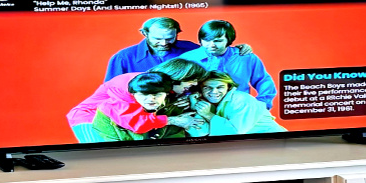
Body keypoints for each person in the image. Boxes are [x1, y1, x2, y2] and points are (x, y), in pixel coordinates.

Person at [66, 71, 203, 143]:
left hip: (119, 118)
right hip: (88, 117)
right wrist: (174, 120)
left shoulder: (149, 80)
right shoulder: (124, 92)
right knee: (99, 157)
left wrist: (189, 97)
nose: (188, 89)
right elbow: (137, 123)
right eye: (188, 86)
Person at [104, 16, 255, 81]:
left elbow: (216, 52)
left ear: (177, 33)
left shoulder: (189, 48)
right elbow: (111, 91)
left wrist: (238, 49)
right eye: (157, 39)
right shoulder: (123, 58)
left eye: (170, 38)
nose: (164, 43)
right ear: (144, 33)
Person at [179, 19, 277, 110]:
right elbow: (171, 80)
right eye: (207, 40)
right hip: (199, 111)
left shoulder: (246, 58)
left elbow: (263, 81)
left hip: (237, 110)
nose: (211, 45)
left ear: (229, 40)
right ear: (200, 40)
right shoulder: (188, 58)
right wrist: (184, 98)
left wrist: (262, 104)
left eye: (218, 41)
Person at [189, 72, 287, 135]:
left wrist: (208, 115)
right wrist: (195, 106)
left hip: (274, 143)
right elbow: (199, 133)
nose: (214, 92)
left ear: (229, 87)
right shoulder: (207, 102)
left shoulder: (242, 100)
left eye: (220, 87)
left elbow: (233, 133)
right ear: (200, 90)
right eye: (207, 88)